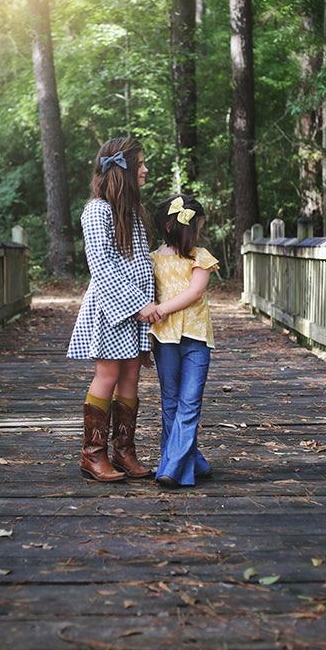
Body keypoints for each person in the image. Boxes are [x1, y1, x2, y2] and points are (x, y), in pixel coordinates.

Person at [67, 136, 161, 482]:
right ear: (120, 170)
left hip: (137, 312)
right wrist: (139, 304)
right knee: (108, 375)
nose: (145, 169)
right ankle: (92, 454)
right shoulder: (96, 211)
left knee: (132, 377)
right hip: (112, 309)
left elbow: (139, 265)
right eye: (139, 164)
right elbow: (102, 267)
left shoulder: (133, 214)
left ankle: (125, 451)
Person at [145, 194, 219, 489]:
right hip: (165, 340)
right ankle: (192, 462)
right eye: (195, 230)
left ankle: (172, 467)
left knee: (189, 403)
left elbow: (194, 292)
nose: (197, 236)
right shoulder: (152, 260)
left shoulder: (200, 257)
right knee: (170, 403)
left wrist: (160, 310)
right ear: (170, 228)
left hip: (196, 339)